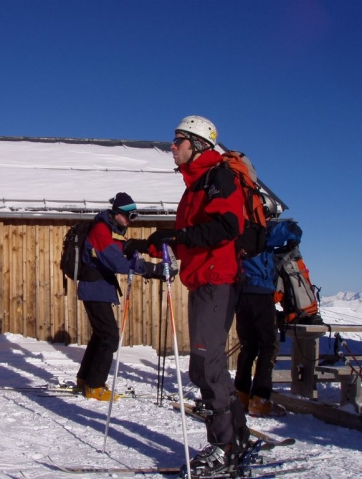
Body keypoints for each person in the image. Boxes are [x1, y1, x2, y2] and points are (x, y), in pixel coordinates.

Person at [127, 116, 251, 477]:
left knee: (206, 366)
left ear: (197, 144)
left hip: (217, 279)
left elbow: (228, 227)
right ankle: (235, 438)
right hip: (204, 280)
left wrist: (176, 239)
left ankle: (224, 446)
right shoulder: (196, 184)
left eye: (178, 140)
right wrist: (150, 241)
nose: (172, 146)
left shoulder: (217, 178)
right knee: (206, 366)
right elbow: (191, 235)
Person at [76, 192, 174, 401]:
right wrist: (151, 269)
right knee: (110, 336)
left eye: (134, 217)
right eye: (130, 216)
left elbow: (119, 248)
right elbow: (117, 262)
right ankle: (94, 386)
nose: (131, 221)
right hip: (95, 288)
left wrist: (138, 246)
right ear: (118, 213)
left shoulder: (110, 229)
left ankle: (85, 379)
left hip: (98, 288)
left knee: (101, 335)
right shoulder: (101, 230)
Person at [234, 194, 302, 417]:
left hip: (241, 294)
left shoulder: (238, 229)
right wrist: (293, 231)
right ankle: (260, 400)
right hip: (261, 293)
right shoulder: (261, 230)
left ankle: (241, 395)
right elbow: (288, 230)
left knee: (248, 346)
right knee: (268, 346)